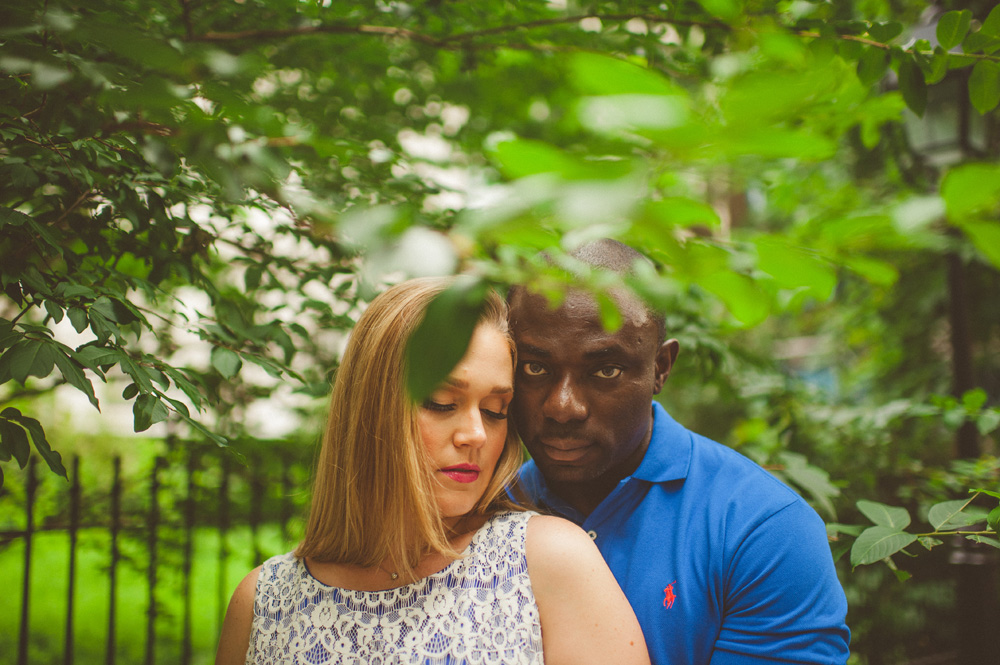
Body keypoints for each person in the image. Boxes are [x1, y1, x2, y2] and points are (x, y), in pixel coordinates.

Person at [216, 276, 649, 665]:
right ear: (370, 410)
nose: (476, 434)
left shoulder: (546, 561)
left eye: (496, 410)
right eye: (442, 403)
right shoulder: (263, 604)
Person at [509, 239, 851, 665]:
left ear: (660, 368)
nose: (562, 407)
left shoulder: (761, 530)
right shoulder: (476, 514)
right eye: (535, 367)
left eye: (605, 370)